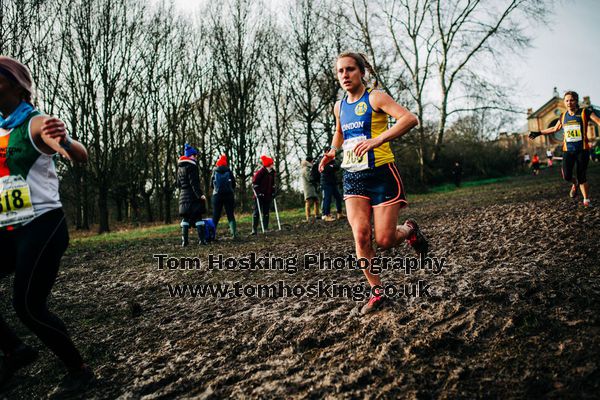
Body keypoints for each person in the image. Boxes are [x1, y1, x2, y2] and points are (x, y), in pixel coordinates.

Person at [0, 56, 94, 395]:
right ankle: (15, 350)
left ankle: (78, 369)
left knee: (27, 305)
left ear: (13, 83)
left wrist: (66, 143)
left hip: (43, 224)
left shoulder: (36, 122)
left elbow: (77, 154)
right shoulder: (1, 126)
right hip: (7, 228)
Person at [320, 52, 428, 315]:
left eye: (349, 70)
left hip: (381, 174)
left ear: (362, 72)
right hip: (353, 176)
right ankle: (376, 292)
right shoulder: (339, 106)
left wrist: (378, 140)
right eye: (340, 71)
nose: (344, 75)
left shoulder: (376, 97)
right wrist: (333, 151)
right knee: (360, 234)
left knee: (385, 239)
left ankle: (410, 230)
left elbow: (409, 119)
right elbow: (340, 131)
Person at [529, 91, 600, 207]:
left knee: (582, 175)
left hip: (582, 150)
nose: (569, 103)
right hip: (568, 151)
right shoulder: (563, 116)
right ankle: (574, 183)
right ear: (564, 102)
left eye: (571, 100)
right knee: (566, 175)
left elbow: (598, 121)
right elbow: (554, 129)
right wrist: (539, 132)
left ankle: (586, 200)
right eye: (566, 100)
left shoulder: (585, 112)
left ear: (576, 101)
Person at [177, 143, 207, 245]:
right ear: (190, 156)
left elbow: (178, 184)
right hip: (193, 196)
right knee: (198, 216)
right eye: (194, 155)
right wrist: (200, 195)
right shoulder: (192, 167)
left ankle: (184, 241)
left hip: (183, 195)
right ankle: (202, 240)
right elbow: (194, 183)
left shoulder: (180, 167)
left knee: (185, 218)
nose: (196, 157)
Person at [211, 154, 237, 239]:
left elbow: (211, 185)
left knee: (216, 215)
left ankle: (212, 235)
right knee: (230, 214)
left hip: (217, 195)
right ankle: (234, 234)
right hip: (228, 195)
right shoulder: (229, 171)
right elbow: (233, 183)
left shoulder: (215, 171)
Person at [251, 155, 276, 234]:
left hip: (267, 195)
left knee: (266, 212)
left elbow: (272, 184)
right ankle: (254, 229)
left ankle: (265, 228)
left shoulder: (272, 173)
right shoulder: (261, 172)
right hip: (259, 196)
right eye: (272, 163)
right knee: (257, 212)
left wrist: (273, 192)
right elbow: (255, 183)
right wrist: (258, 193)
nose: (273, 164)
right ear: (269, 164)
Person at [319, 147, 344, 221]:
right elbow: (326, 168)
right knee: (327, 199)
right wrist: (331, 166)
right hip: (326, 183)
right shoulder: (322, 159)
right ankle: (325, 215)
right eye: (330, 151)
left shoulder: (333, 160)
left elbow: (337, 166)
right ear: (327, 152)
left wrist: (332, 166)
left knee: (338, 197)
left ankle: (340, 213)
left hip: (333, 182)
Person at [301, 156, 319, 222]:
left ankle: (316, 215)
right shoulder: (306, 169)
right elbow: (309, 178)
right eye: (312, 161)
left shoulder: (308, 168)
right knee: (308, 202)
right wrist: (315, 178)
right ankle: (308, 216)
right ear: (310, 161)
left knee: (316, 201)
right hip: (309, 187)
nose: (313, 162)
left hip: (311, 187)